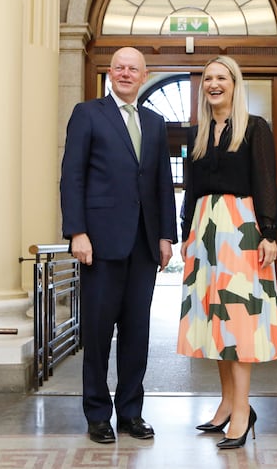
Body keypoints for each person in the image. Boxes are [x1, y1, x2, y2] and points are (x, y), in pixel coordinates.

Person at [60, 47, 178, 444]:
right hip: (99, 243)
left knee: (136, 335)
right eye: (120, 67)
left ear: (144, 76)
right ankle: (97, 415)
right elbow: (72, 177)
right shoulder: (87, 114)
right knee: (96, 334)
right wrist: (77, 232)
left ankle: (131, 413)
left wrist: (165, 236)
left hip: (144, 247)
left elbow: (162, 182)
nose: (126, 74)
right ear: (110, 73)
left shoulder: (155, 122)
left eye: (134, 69)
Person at [177, 55, 277, 449]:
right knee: (215, 321)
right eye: (208, 78)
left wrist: (269, 233)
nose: (214, 83)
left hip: (241, 230)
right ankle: (225, 405)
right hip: (205, 232)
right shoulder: (198, 133)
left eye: (222, 77)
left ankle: (243, 411)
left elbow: (266, 181)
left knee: (238, 322)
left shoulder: (255, 128)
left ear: (235, 84)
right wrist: (186, 231)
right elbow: (191, 188)